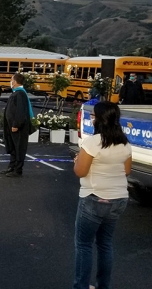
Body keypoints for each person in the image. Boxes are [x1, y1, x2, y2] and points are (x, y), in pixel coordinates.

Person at [72, 101, 131, 289]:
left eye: (93, 115)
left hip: (94, 197)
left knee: (84, 245)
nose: (92, 118)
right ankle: (102, 285)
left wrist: (77, 161)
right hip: (119, 199)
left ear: (99, 119)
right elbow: (126, 171)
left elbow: (80, 172)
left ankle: (81, 286)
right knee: (105, 244)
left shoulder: (93, 142)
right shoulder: (124, 142)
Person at [0, 73, 33, 177]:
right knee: (13, 147)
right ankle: (12, 167)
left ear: (14, 81)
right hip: (12, 126)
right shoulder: (16, 93)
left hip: (18, 127)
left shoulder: (20, 94)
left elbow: (20, 111)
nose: (10, 81)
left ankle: (18, 170)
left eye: (11, 79)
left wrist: (16, 124)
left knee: (19, 148)